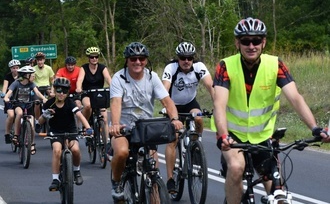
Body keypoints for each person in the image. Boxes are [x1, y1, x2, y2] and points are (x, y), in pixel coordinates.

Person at [213, 17, 330, 204]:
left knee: (277, 190)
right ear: (237, 43)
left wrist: (315, 128)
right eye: (245, 41)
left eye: (256, 40)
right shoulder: (225, 66)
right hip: (232, 136)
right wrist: (223, 135)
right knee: (236, 167)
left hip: (263, 136)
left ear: (264, 42)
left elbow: (295, 98)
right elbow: (219, 104)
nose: (251, 46)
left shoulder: (276, 65)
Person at [108, 42, 182, 202]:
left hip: (146, 130)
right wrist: (115, 124)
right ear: (127, 60)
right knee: (121, 153)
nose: (137, 62)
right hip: (123, 128)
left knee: (153, 170)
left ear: (146, 60)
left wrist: (175, 119)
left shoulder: (152, 77)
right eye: (133, 58)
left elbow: (167, 101)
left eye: (141, 58)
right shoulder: (118, 78)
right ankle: (116, 182)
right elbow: (115, 102)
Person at [161, 41, 215, 193]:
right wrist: (170, 113)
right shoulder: (171, 68)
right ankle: (171, 179)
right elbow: (164, 90)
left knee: (198, 118)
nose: (186, 61)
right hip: (173, 105)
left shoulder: (199, 67)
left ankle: (195, 144)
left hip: (190, 103)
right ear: (178, 58)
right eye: (183, 58)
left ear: (193, 58)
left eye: (189, 58)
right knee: (173, 139)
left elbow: (211, 86)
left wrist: (217, 105)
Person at [37, 77, 93, 191]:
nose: (61, 93)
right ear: (55, 90)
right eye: (58, 90)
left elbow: (79, 115)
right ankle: (55, 179)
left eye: (65, 91)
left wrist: (88, 128)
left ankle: (76, 171)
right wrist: (44, 116)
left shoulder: (70, 103)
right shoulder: (49, 103)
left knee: (76, 150)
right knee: (57, 150)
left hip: (70, 130)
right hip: (56, 132)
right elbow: (39, 122)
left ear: (68, 92)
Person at [3, 66, 47, 154]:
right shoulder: (16, 83)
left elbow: (37, 92)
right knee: (19, 113)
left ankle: (32, 143)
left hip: (29, 105)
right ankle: (16, 135)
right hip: (18, 104)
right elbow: (9, 92)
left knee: (31, 124)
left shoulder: (31, 84)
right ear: (26, 75)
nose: (34, 76)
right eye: (32, 75)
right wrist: (6, 97)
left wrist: (44, 99)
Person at [75, 47, 112, 133]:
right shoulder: (84, 68)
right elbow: (80, 80)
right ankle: (85, 125)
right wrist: (78, 88)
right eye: (92, 57)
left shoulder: (102, 67)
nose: (94, 59)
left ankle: (107, 142)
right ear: (89, 58)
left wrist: (113, 87)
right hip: (87, 93)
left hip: (99, 93)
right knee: (88, 106)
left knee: (105, 118)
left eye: (96, 57)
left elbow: (108, 78)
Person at [2, 59, 21, 144]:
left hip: (20, 98)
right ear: (10, 69)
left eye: (17, 67)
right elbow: (5, 86)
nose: (15, 69)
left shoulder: (22, 76)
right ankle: (7, 134)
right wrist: (3, 94)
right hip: (10, 98)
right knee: (11, 115)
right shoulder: (8, 76)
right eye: (13, 68)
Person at [33, 52, 55, 120]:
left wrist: (52, 91)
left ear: (44, 60)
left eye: (41, 60)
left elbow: (52, 81)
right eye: (38, 60)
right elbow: (32, 80)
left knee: (53, 98)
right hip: (37, 88)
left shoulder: (48, 68)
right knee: (37, 103)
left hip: (46, 87)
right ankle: (37, 120)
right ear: (36, 61)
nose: (40, 62)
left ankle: (53, 117)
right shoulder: (33, 69)